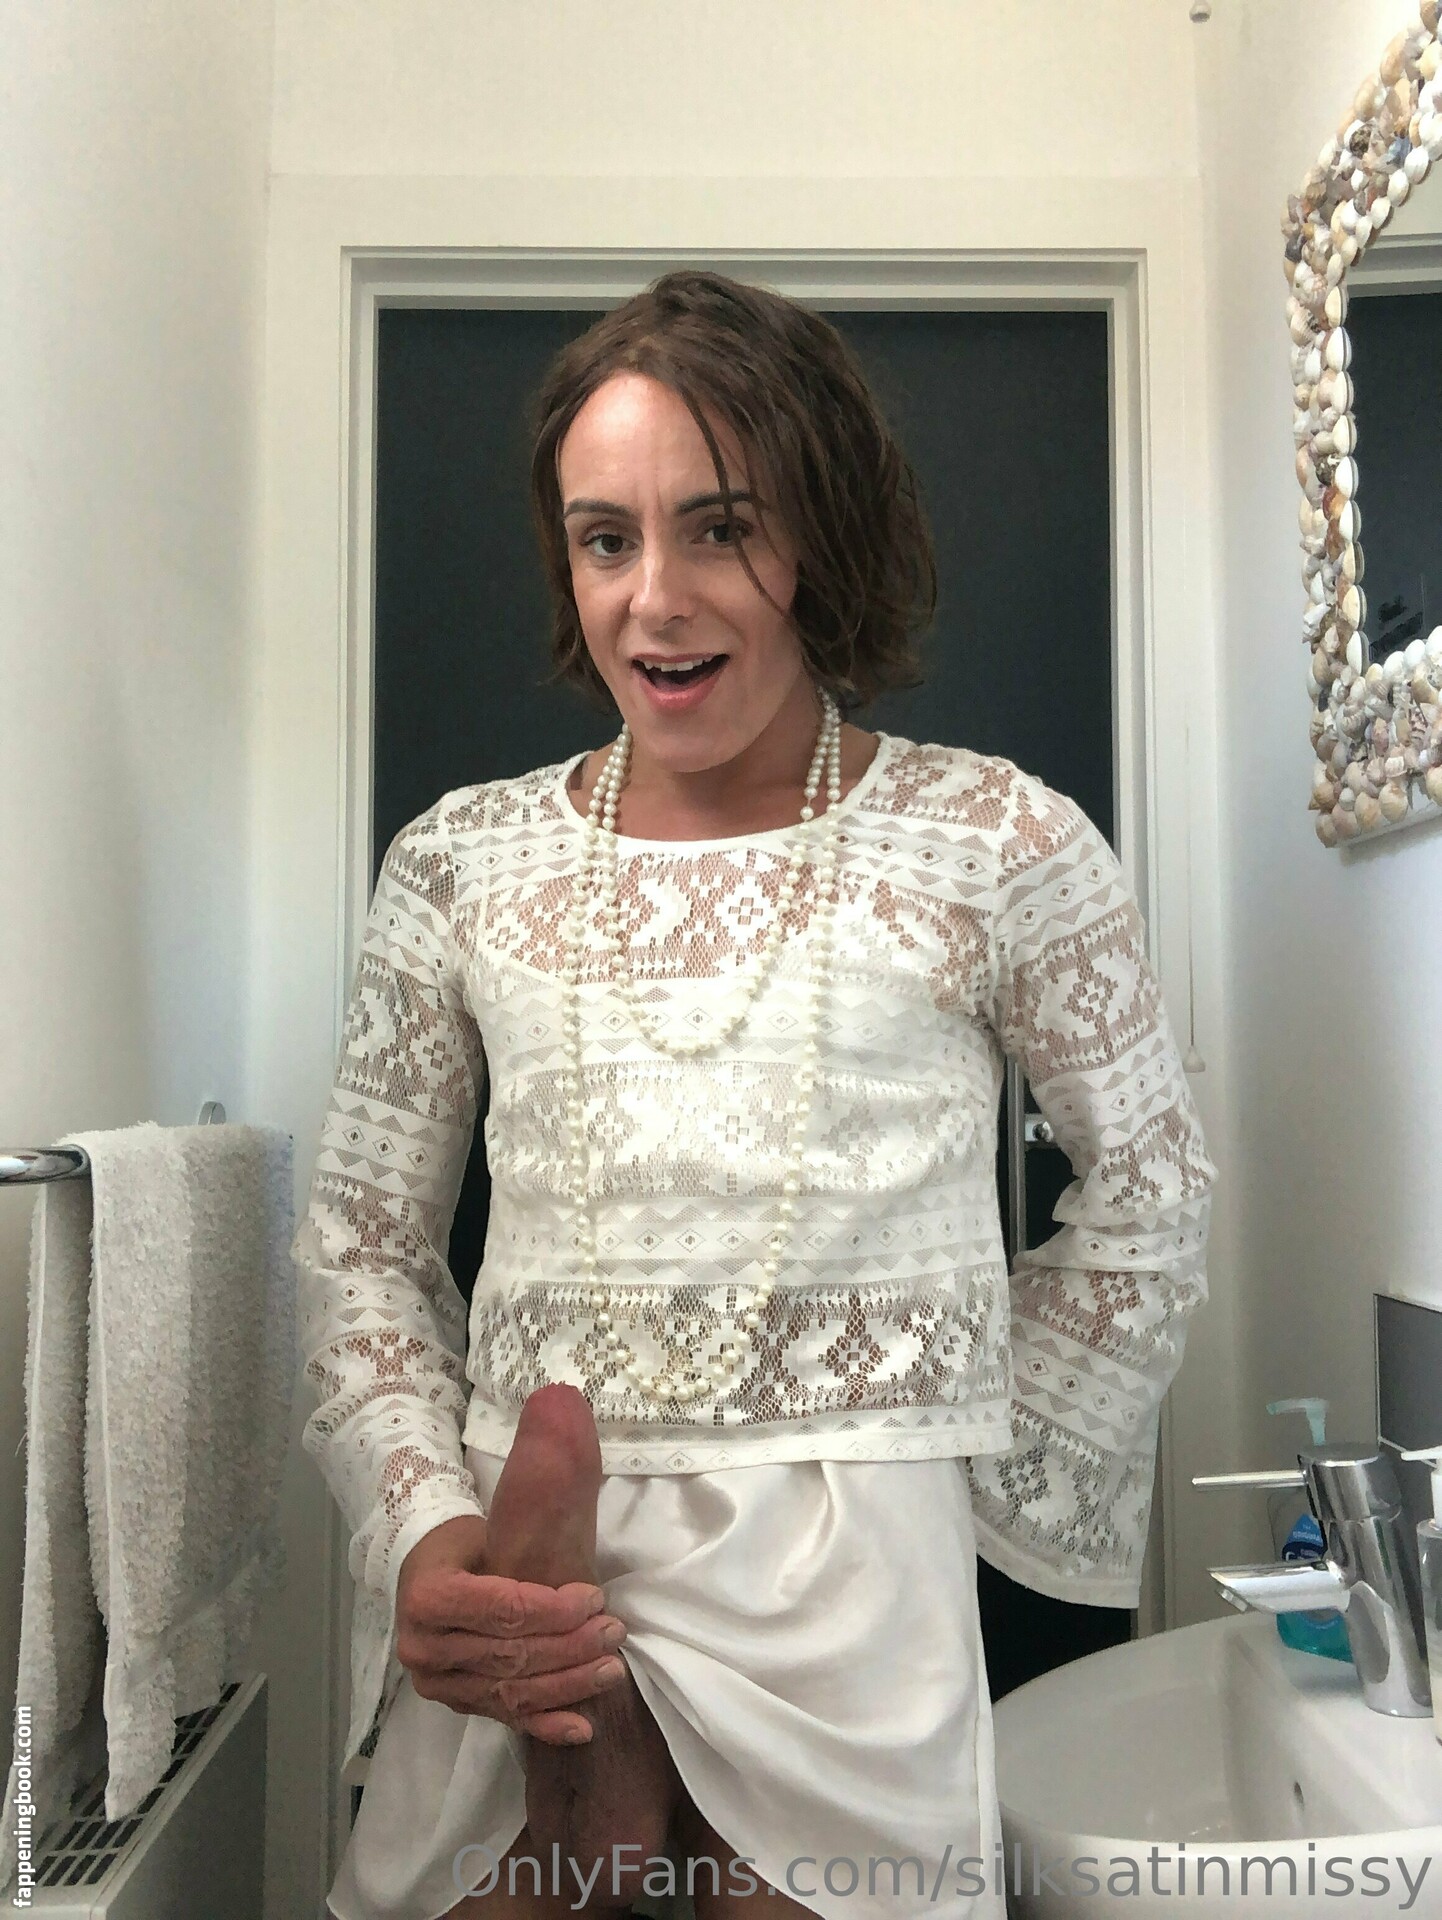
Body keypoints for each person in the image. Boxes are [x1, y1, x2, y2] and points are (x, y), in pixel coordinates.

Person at [294, 268, 1218, 1920]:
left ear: (825, 535)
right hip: (532, 1558)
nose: (654, 599)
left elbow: (1152, 1192)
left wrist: (951, 1453)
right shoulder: (459, 864)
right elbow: (359, 1243)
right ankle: (583, 1766)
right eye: (605, 539)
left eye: (718, 528)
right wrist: (423, 1530)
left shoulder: (996, 845)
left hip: (841, 1586)